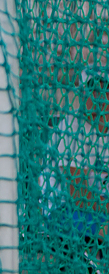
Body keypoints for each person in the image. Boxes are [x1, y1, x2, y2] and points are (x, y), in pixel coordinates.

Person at [43, 66, 109, 243]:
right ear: (82, 93)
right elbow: (78, 195)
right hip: (62, 211)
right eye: (93, 90)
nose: (100, 98)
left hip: (98, 212)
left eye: (105, 90)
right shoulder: (71, 127)